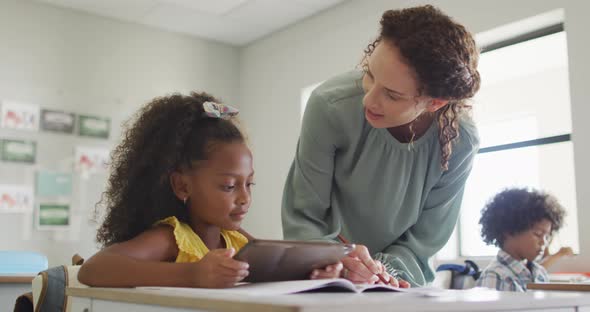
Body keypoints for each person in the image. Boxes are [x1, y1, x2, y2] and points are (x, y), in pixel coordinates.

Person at [282, 5, 481, 287]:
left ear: (435, 102)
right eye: (370, 74)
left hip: (396, 284)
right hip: (327, 276)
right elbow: (304, 215)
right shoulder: (329, 106)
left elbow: (423, 241)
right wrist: (337, 260)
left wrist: (379, 272)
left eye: (392, 94)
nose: (369, 100)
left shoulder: (460, 142)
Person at [78, 92, 342, 288]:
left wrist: (317, 272)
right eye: (229, 186)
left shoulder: (234, 238)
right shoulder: (171, 237)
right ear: (182, 185)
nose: (245, 198)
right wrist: (193, 274)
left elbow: (276, 264)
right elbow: (93, 269)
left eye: (249, 184)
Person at [476, 188, 566, 292]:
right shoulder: (495, 277)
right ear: (509, 230)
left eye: (547, 236)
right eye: (538, 234)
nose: (544, 242)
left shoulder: (540, 273)